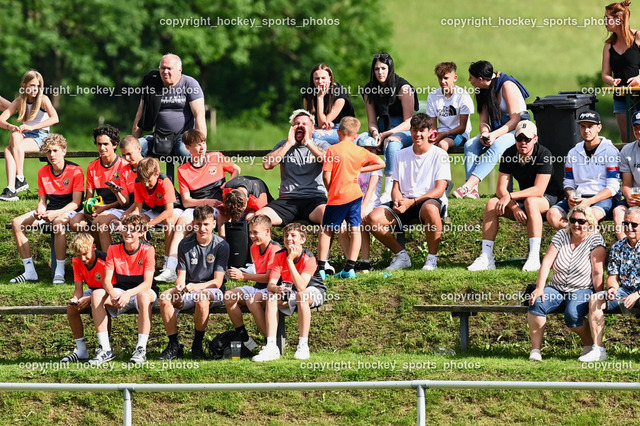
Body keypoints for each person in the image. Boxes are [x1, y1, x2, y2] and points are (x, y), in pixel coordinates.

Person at [468, 120, 564, 272]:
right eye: (519, 138)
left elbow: (539, 190)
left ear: (535, 139)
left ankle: (534, 257)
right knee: (492, 203)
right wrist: (514, 207)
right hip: (524, 199)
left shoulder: (544, 154)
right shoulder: (509, 153)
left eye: (527, 139)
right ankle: (486, 257)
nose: (523, 142)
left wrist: (510, 196)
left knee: (531, 202)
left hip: (549, 197)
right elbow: (500, 189)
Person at [366, 113, 451, 271]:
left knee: (431, 209)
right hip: (404, 202)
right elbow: (395, 186)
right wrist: (398, 201)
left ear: (429, 132)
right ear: (410, 131)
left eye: (421, 130)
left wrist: (412, 202)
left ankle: (432, 259)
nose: (417, 134)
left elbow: (439, 190)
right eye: (414, 130)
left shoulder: (440, 155)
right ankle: (402, 256)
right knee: (372, 218)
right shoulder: (401, 154)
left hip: (427, 201)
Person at [527, 206, 606, 362]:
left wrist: (599, 294)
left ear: (589, 223)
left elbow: (598, 272)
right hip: (556, 287)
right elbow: (546, 263)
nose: (576, 224)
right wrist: (539, 288)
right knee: (536, 303)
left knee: (572, 314)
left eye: (581, 221)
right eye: (573, 220)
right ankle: (535, 350)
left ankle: (589, 344)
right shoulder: (561, 235)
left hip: (582, 288)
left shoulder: (595, 239)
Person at [157, 205, 229, 360]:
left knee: (202, 299)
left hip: (212, 291)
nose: (202, 228)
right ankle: (174, 345)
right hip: (191, 289)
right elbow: (181, 275)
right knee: (164, 298)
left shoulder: (222, 245)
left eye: (206, 224)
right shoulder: (184, 244)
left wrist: (197, 287)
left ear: (214, 224)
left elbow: (217, 282)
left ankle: (197, 344)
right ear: (193, 224)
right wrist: (179, 285)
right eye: (198, 224)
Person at [317, 116, 385, 279]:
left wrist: (330, 188)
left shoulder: (332, 150)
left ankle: (320, 267)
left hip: (337, 196)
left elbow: (326, 176)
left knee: (326, 230)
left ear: (338, 133)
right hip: (355, 196)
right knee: (355, 230)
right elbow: (381, 163)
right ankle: (350, 267)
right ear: (355, 136)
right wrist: (360, 170)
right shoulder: (360, 151)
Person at [10, 134, 83, 284]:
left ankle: (59, 271)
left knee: (58, 224)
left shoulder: (76, 170)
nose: (52, 155)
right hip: (51, 210)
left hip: (69, 211)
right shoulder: (42, 172)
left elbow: (76, 203)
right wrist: (40, 212)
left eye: (55, 150)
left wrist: (56, 213)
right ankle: (29, 271)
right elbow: (42, 201)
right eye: (48, 151)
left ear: (64, 150)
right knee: (17, 223)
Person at [453, 60, 530, 199]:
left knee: (498, 145)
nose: (469, 80)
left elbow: (515, 119)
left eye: (471, 77)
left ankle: (468, 185)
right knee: (470, 145)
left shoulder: (506, 86)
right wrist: (485, 133)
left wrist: (494, 135)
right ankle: (473, 191)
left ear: (480, 79)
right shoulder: (481, 90)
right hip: (499, 130)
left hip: (519, 129)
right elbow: (483, 120)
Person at [89, 214, 159, 365]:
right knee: (96, 295)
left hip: (141, 291)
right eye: (126, 229)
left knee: (143, 296)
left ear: (141, 233)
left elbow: (147, 283)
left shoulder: (148, 250)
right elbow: (106, 281)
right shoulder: (113, 248)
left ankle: (141, 349)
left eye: (133, 230)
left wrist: (128, 294)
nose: (128, 232)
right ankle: (105, 349)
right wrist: (114, 294)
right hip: (121, 291)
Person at [252, 223, 327, 361]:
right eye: (286, 235)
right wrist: (277, 289)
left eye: (293, 235)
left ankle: (303, 345)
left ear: (302, 239)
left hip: (313, 290)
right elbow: (271, 284)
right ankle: (271, 346)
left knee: (301, 296)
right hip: (291, 290)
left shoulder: (309, 257)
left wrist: (290, 261)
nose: (289, 238)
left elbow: (301, 287)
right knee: (271, 297)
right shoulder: (279, 255)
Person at [580, 207, 640, 362]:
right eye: (625, 224)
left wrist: (638, 294)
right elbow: (612, 276)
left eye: (634, 224)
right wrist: (612, 288)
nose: (629, 228)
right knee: (596, 298)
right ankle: (598, 350)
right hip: (625, 291)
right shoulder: (618, 247)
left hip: (638, 293)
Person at [546, 111, 620, 230]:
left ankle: (582, 243)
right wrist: (571, 196)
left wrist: (589, 201)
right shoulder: (573, 152)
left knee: (587, 217)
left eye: (590, 126)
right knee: (552, 215)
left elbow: (613, 187)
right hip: (579, 197)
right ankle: (575, 238)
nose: (586, 130)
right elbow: (568, 182)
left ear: (599, 128)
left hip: (602, 198)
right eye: (583, 126)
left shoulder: (610, 151)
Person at [361, 52, 419, 203]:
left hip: (402, 129)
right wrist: (375, 134)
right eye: (376, 69)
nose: (380, 72)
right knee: (360, 142)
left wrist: (389, 133)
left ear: (390, 68)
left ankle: (389, 189)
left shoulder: (403, 88)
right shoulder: (369, 89)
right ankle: (361, 189)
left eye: (383, 68)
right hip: (380, 128)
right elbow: (372, 121)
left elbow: (409, 121)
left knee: (392, 144)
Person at [257, 109, 330, 226]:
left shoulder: (320, 144)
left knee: (329, 216)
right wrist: (289, 144)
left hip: (314, 199)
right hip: (287, 201)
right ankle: (271, 245)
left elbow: (328, 160)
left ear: (312, 128)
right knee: (259, 219)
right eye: (297, 124)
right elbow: (267, 164)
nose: (300, 126)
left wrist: (308, 143)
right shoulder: (283, 145)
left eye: (304, 124)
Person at [172, 128, 240, 247]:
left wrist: (229, 183)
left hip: (219, 205)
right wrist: (206, 202)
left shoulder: (216, 157)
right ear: (188, 148)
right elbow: (186, 202)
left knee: (222, 219)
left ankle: (224, 259)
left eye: (203, 143)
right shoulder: (182, 170)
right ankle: (171, 264)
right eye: (198, 145)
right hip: (197, 207)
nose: (202, 147)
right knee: (180, 227)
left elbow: (236, 169)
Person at [0, 70, 59, 201]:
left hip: (41, 136)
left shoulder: (43, 99)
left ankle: (14, 185)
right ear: (24, 85)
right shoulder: (19, 101)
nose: (35, 89)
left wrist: (31, 127)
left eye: (38, 86)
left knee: (8, 150)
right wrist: (10, 126)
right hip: (26, 135)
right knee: (14, 137)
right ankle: (15, 184)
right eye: (32, 85)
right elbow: (1, 119)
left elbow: (55, 118)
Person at [132, 53, 206, 159]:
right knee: (134, 149)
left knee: (183, 151)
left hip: (184, 136)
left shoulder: (190, 84)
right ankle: (146, 175)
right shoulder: (152, 85)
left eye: (169, 68)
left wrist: (201, 143)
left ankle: (193, 175)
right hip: (159, 136)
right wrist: (133, 141)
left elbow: (199, 115)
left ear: (179, 69)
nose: (165, 72)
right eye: (163, 68)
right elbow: (140, 114)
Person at [69, 126, 129, 247]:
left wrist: (104, 208)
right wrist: (88, 210)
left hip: (118, 208)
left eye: (105, 144)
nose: (102, 148)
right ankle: (95, 251)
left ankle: (106, 259)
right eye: (99, 144)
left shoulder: (124, 165)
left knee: (99, 223)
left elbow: (125, 201)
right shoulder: (92, 166)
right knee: (75, 223)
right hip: (100, 207)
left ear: (115, 145)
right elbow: (89, 197)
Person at [225, 214, 281, 347]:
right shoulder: (254, 247)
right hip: (258, 287)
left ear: (267, 231)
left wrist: (243, 276)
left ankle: (270, 343)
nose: (251, 236)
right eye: (250, 232)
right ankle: (244, 337)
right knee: (228, 296)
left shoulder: (275, 249)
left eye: (255, 233)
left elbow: (269, 277)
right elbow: (258, 273)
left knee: (252, 301)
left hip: (273, 289)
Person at [122, 157, 180, 282]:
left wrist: (149, 224)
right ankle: (138, 262)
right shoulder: (138, 182)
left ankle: (168, 264)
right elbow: (138, 209)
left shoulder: (164, 181)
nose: (146, 185)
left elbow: (169, 211)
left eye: (149, 181)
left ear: (156, 173)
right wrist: (135, 223)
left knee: (168, 222)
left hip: (173, 209)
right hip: (153, 210)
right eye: (143, 182)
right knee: (135, 222)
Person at [60, 233, 113, 362]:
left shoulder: (105, 259)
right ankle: (82, 350)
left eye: (85, 254)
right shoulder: (76, 261)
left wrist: (89, 299)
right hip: (93, 290)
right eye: (79, 255)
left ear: (93, 247)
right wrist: (75, 299)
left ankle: (106, 347)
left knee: (97, 299)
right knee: (71, 308)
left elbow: (112, 286)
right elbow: (79, 288)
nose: (83, 258)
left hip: (110, 290)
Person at [94, 135, 145, 249]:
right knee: (98, 223)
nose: (127, 158)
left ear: (139, 149)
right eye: (124, 155)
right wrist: (117, 192)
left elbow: (143, 198)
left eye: (129, 154)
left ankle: (133, 257)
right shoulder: (124, 170)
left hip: (145, 206)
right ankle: (108, 260)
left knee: (132, 224)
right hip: (129, 207)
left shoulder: (148, 166)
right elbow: (124, 202)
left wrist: (128, 213)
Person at [602, 0, 640, 143]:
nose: (605, 22)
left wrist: (639, 78)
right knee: (627, 139)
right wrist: (611, 80)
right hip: (621, 97)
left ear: (618, 19)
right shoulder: (608, 45)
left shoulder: (638, 37)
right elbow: (605, 73)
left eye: (607, 18)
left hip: (639, 95)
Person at [302, 63, 356, 145]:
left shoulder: (339, 92)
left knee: (315, 136)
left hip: (342, 129)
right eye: (317, 78)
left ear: (330, 78)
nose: (320, 81)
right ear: (312, 80)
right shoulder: (308, 94)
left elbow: (323, 123)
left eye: (323, 78)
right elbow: (309, 121)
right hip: (318, 129)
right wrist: (312, 127)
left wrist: (320, 98)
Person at [426, 62, 474, 151]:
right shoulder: (432, 96)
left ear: (455, 78)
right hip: (440, 133)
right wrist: (433, 135)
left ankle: (442, 165)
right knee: (420, 144)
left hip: (459, 135)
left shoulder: (463, 95)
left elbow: (462, 128)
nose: (442, 81)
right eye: (440, 78)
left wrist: (444, 134)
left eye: (446, 78)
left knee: (443, 144)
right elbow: (433, 126)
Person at [356, 135, 383, 273]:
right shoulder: (355, 167)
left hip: (370, 203)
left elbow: (370, 192)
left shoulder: (375, 168)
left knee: (361, 221)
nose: (368, 153)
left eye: (371, 150)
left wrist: (362, 208)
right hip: (356, 203)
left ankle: (365, 261)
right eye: (364, 150)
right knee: (342, 225)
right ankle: (352, 260)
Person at [613, 111, 640, 239]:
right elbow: (626, 184)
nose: (639, 131)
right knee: (618, 211)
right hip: (634, 198)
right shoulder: (627, 150)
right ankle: (623, 251)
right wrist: (629, 197)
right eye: (636, 128)